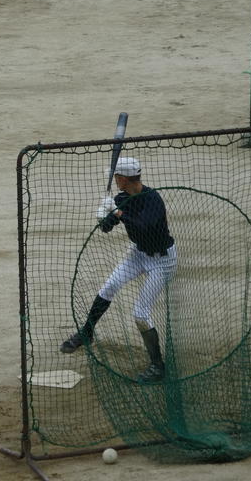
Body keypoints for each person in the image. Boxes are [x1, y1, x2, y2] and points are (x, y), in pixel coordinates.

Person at [60, 156, 177, 383]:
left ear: (123, 178)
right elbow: (107, 228)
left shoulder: (152, 199)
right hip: (138, 254)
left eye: (116, 177)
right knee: (109, 286)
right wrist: (102, 217)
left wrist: (118, 212)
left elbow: (144, 226)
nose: (114, 180)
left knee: (140, 314)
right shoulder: (121, 198)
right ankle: (87, 333)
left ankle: (158, 367)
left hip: (163, 261)